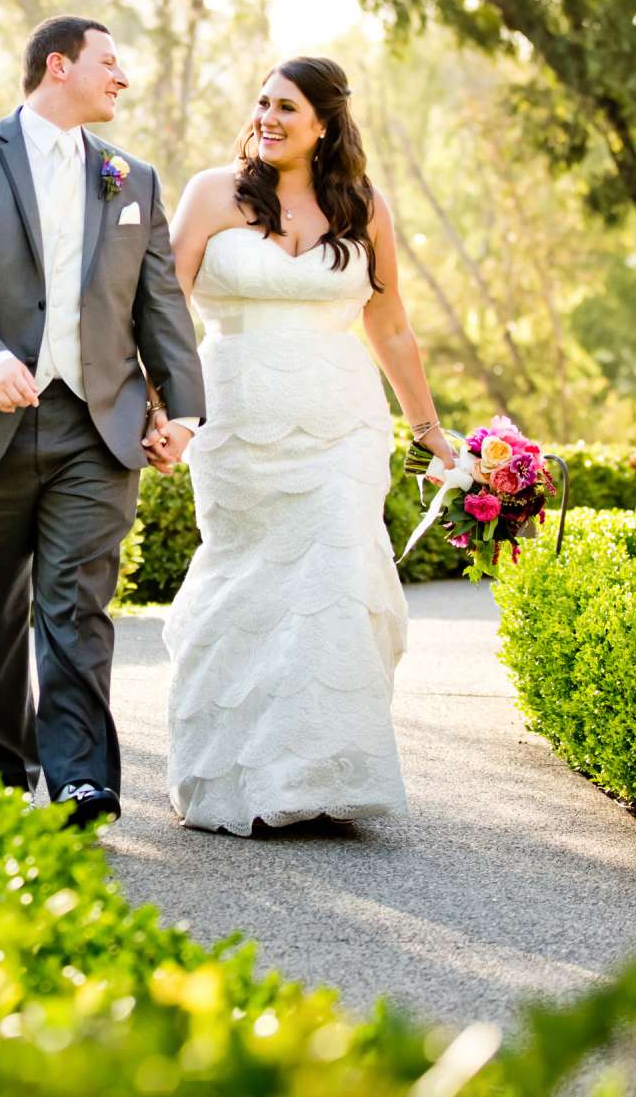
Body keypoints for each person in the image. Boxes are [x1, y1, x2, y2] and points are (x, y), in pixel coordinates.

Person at [0, 15, 206, 828]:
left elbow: (160, 302)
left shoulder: (131, 178)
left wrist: (185, 412)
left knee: (74, 603)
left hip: (95, 428)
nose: (122, 78)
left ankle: (81, 782)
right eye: (110, 62)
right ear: (58, 65)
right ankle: (6, 761)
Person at [160, 56, 454, 836]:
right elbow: (162, 308)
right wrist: (163, 410)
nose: (268, 117)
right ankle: (234, 774)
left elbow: (389, 326)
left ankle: (321, 777)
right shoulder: (211, 194)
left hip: (342, 428)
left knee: (335, 571)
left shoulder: (362, 205)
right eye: (261, 103)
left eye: (286, 106)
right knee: (246, 582)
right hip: (236, 422)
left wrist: (429, 432)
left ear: (324, 123)